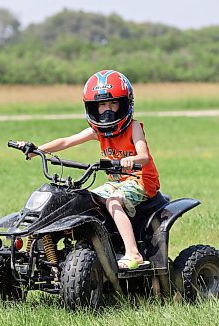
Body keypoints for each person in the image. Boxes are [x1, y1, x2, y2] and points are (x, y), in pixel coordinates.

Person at [19, 70, 160, 270]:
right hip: (117, 182)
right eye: (102, 105)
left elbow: (144, 155)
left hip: (141, 181)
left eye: (113, 103)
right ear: (94, 108)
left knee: (113, 201)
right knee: (84, 199)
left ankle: (133, 253)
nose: (108, 110)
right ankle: (85, 248)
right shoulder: (98, 131)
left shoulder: (134, 127)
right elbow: (66, 141)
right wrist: (37, 150)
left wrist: (130, 160)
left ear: (125, 104)